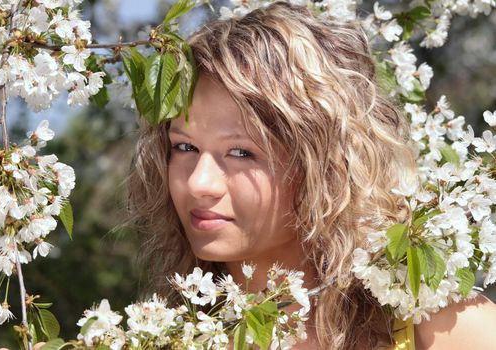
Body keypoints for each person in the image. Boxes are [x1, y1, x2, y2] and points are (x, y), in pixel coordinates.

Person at [127, 1, 496, 349]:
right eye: (185, 148)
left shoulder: (447, 329)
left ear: (325, 166)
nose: (198, 184)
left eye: (242, 153)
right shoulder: (167, 336)